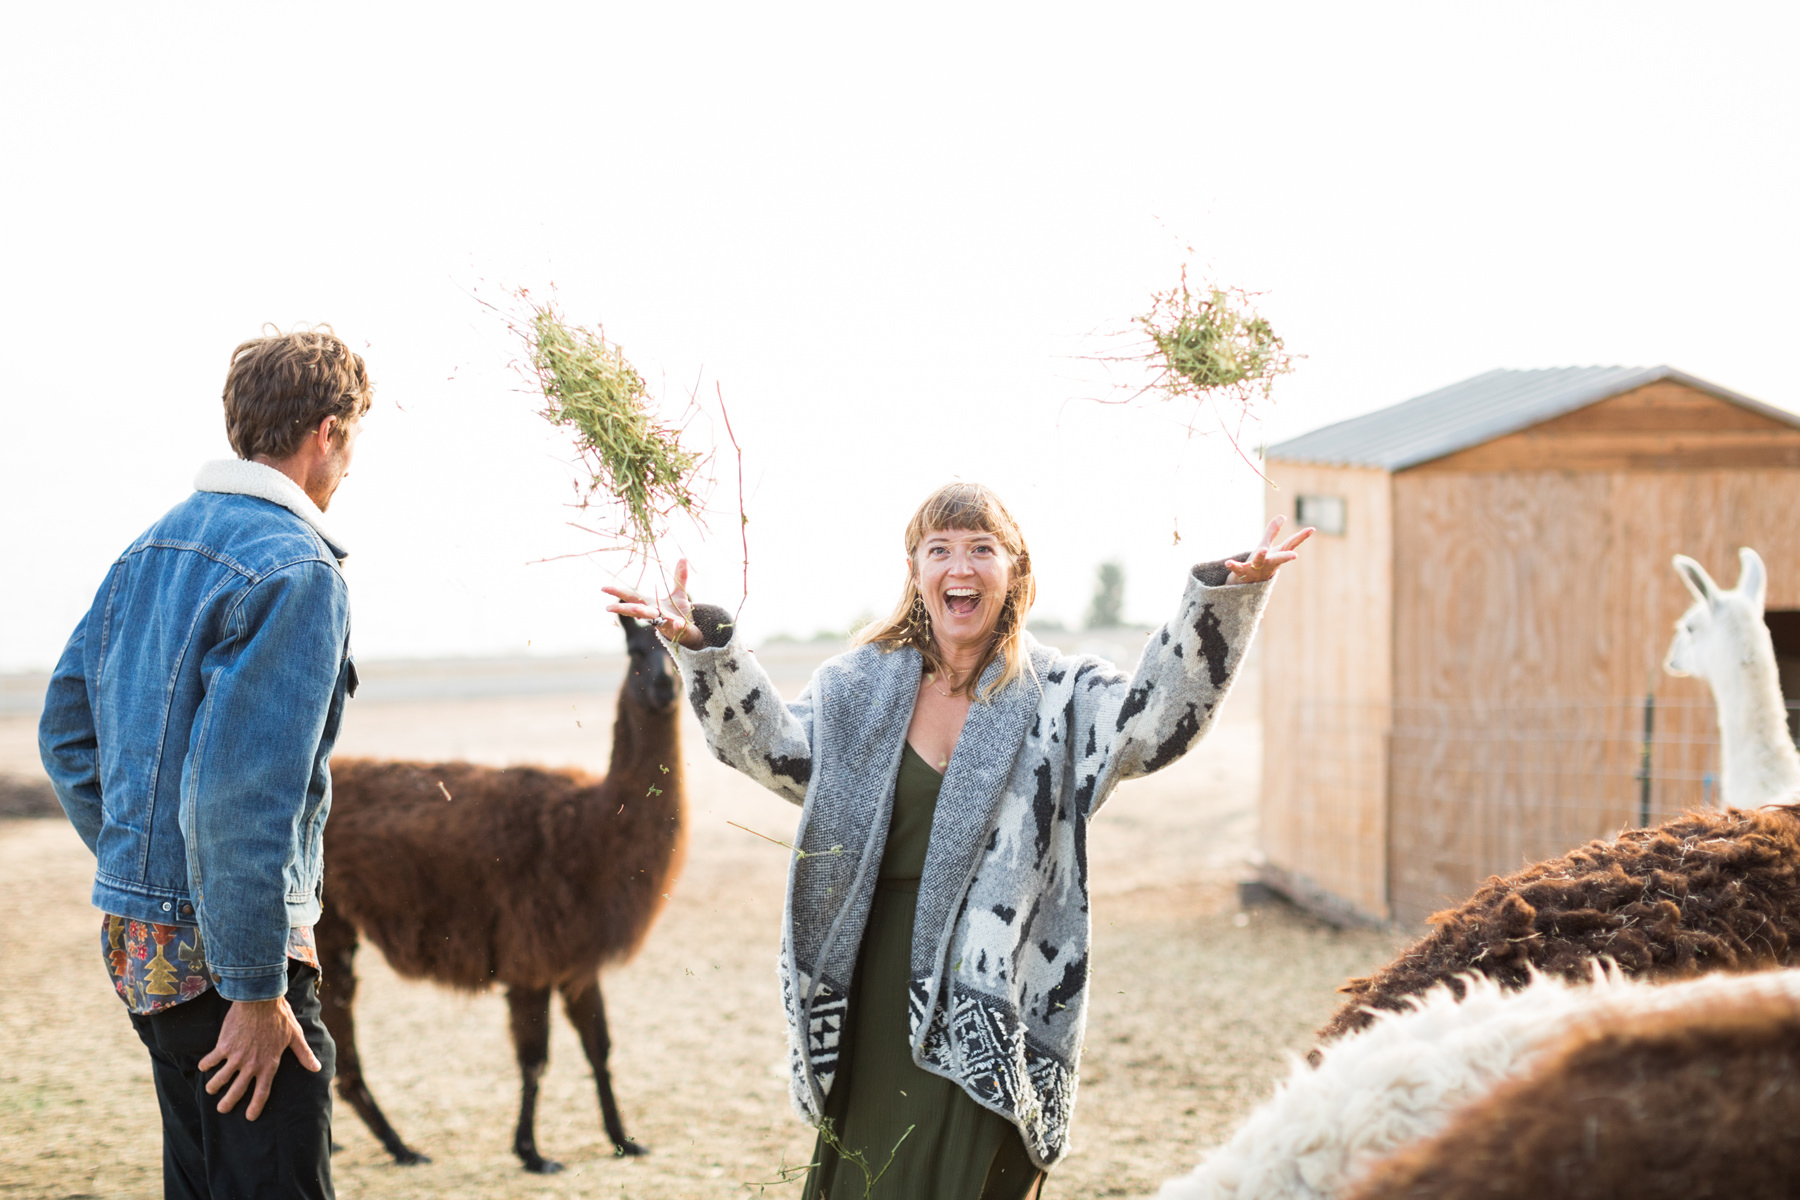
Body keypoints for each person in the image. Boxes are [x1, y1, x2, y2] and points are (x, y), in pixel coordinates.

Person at [606, 481, 1309, 1199]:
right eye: (939, 550)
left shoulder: (1059, 694)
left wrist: (1221, 599)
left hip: (994, 993)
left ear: (1015, 571)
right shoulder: (856, 687)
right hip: (872, 983)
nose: (960, 567)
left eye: (982, 549)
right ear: (916, 573)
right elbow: (771, 748)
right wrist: (704, 646)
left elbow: (1155, 724)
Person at [38, 328, 371, 1200]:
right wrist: (257, 992)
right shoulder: (297, 568)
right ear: (325, 434)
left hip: (142, 950)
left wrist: (138, 864)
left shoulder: (149, 548)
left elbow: (66, 733)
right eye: (352, 443)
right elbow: (239, 798)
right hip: (231, 966)